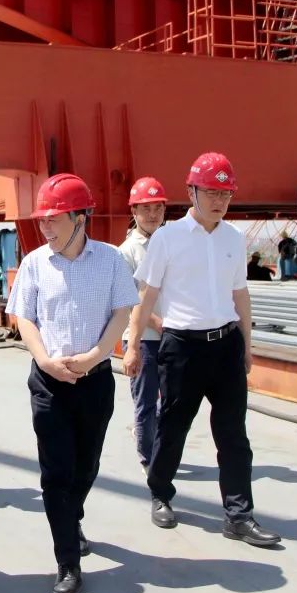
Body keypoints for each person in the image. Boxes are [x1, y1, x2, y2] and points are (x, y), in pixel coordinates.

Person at [124, 152, 281, 548]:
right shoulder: (167, 238)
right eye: (211, 192)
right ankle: (160, 492)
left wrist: (247, 345)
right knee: (173, 429)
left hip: (226, 346)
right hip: (182, 348)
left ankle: (239, 516)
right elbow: (146, 296)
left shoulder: (233, 239)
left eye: (225, 194)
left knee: (233, 436)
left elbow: (240, 295)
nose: (219, 201)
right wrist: (132, 346)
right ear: (191, 191)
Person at [6, 173, 140, 593]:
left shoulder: (111, 260)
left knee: (86, 466)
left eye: (54, 218)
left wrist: (97, 355)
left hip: (94, 381)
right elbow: (24, 318)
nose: (45, 227)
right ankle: (67, 562)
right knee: (55, 474)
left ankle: (71, 517)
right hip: (49, 383)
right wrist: (45, 360)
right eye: (42, 220)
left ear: (81, 218)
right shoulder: (34, 264)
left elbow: (122, 312)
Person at [117, 177, 168, 474]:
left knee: (171, 403)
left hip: (171, 336)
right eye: (145, 208)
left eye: (157, 208)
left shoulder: (170, 244)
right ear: (134, 211)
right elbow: (131, 298)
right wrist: (158, 323)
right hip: (144, 339)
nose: (152, 214)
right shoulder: (127, 252)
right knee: (146, 402)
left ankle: (161, 449)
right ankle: (148, 459)